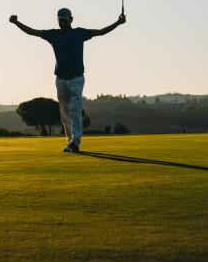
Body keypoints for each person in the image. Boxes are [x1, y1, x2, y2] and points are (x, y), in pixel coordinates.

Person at [9, 8, 126, 153]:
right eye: (60, 20)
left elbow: (101, 31)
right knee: (64, 113)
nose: (62, 22)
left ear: (71, 20)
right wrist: (16, 23)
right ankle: (70, 140)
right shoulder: (53, 35)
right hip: (61, 80)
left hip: (77, 78)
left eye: (65, 20)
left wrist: (118, 23)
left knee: (75, 110)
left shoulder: (79, 33)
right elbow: (33, 32)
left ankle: (75, 141)